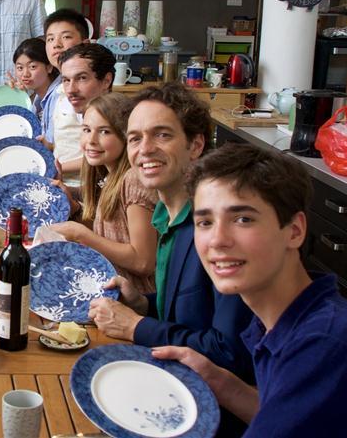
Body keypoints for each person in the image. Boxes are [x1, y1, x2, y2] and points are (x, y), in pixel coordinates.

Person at [153, 143, 347, 437]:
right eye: (205, 222)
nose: (217, 240)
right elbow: (279, 413)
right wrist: (221, 382)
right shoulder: (279, 323)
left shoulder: (324, 344)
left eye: (243, 219)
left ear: (294, 230)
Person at [88, 83, 254, 385]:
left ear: (195, 145)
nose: (145, 149)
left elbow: (230, 353)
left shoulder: (219, 231)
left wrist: (137, 326)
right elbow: (188, 314)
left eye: (162, 135)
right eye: (135, 138)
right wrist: (144, 304)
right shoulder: (164, 216)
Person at [49, 93, 157, 293]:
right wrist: (73, 207)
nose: (91, 140)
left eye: (105, 132)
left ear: (127, 137)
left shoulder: (133, 179)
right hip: (106, 288)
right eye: (87, 130)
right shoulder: (107, 175)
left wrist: (80, 234)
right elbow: (110, 233)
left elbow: (143, 262)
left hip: (133, 298)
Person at [54, 42, 116, 184]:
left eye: (81, 78)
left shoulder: (122, 120)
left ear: (106, 80)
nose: (70, 90)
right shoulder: (84, 111)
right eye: (66, 80)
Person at [41, 8, 90, 150]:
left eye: (66, 37)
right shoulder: (57, 86)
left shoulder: (87, 89)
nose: (56, 44)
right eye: (50, 39)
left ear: (85, 44)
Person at [8, 37, 57, 123]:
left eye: (32, 67)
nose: (25, 74)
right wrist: (21, 97)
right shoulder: (37, 98)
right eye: (20, 68)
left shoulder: (59, 96)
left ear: (49, 67)